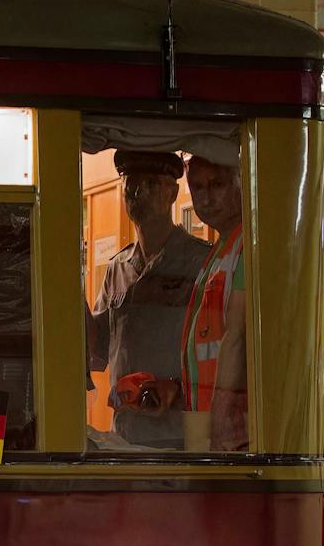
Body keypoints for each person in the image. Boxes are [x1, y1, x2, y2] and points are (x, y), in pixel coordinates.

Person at [87, 150, 207, 448]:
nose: (139, 193)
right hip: (126, 435)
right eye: (132, 185)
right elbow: (97, 348)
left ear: (173, 193)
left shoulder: (201, 262)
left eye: (151, 184)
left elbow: (221, 346)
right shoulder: (118, 268)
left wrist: (176, 389)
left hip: (182, 435)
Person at [181, 151, 250, 452]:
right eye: (197, 188)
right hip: (209, 422)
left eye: (216, 184)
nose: (206, 197)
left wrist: (220, 427)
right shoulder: (222, 247)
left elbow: (236, 335)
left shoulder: (247, 245)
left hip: (231, 431)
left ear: (240, 184)